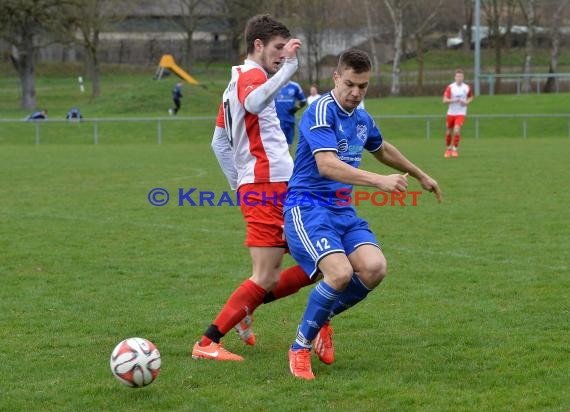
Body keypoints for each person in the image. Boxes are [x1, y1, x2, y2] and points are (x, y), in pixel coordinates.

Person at [284, 49, 443, 380]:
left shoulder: (361, 117)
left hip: (342, 210)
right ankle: (299, 348)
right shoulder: (320, 111)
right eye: (351, 85)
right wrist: (378, 181)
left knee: (374, 268)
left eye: (364, 87)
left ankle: (322, 317)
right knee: (339, 274)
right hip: (308, 207)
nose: (356, 93)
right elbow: (326, 164)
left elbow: (381, 148)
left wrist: (420, 174)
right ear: (336, 78)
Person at [193, 14, 334, 363]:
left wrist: (240, 185)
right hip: (268, 186)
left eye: (285, 50)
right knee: (272, 273)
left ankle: (318, 326)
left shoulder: (234, 82)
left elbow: (218, 143)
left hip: (272, 185)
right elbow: (254, 105)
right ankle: (208, 342)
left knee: (318, 260)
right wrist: (290, 69)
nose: (282, 55)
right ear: (258, 45)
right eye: (277, 49)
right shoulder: (252, 76)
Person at [442, 69, 473, 158]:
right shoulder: (450, 87)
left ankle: (455, 149)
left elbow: (470, 97)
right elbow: (444, 100)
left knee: (456, 130)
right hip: (451, 113)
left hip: (461, 113)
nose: (459, 78)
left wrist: (466, 102)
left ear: (463, 77)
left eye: (461, 76)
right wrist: (454, 100)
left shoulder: (466, 87)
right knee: (449, 132)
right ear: (455, 77)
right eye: (458, 76)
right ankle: (448, 149)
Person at [275, 80, 307, 148]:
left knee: (289, 145)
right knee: (279, 145)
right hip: (277, 121)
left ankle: (288, 158)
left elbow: (303, 101)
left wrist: (296, 108)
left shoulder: (295, 86)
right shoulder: (274, 85)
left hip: (290, 120)